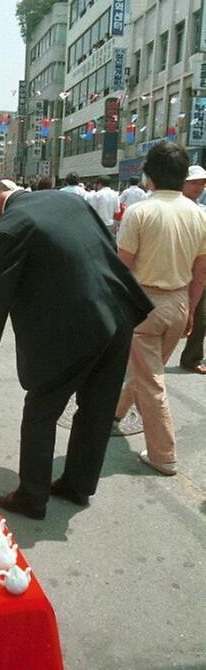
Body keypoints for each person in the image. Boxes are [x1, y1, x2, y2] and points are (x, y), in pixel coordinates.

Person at [0, 172, 153, 519]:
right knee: (97, 406)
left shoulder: (9, 229)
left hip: (77, 328)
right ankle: (77, 485)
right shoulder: (67, 199)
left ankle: (32, 496)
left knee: (41, 409)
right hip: (117, 315)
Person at [114, 143, 206, 476]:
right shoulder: (199, 214)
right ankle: (115, 415)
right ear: (184, 176)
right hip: (179, 303)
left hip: (143, 306)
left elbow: (122, 267)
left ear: (148, 175)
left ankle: (163, 454)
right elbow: (201, 273)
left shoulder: (140, 211)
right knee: (144, 370)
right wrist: (191, 310)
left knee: (150, 381)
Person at [179, 165, 206, 374]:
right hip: (177, 269)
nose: (199, 187)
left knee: (201, 313)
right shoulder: (175, 206)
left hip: (198, 267)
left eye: (202, 183)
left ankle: (192, 357)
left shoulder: (200, 209)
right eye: (194, 182)